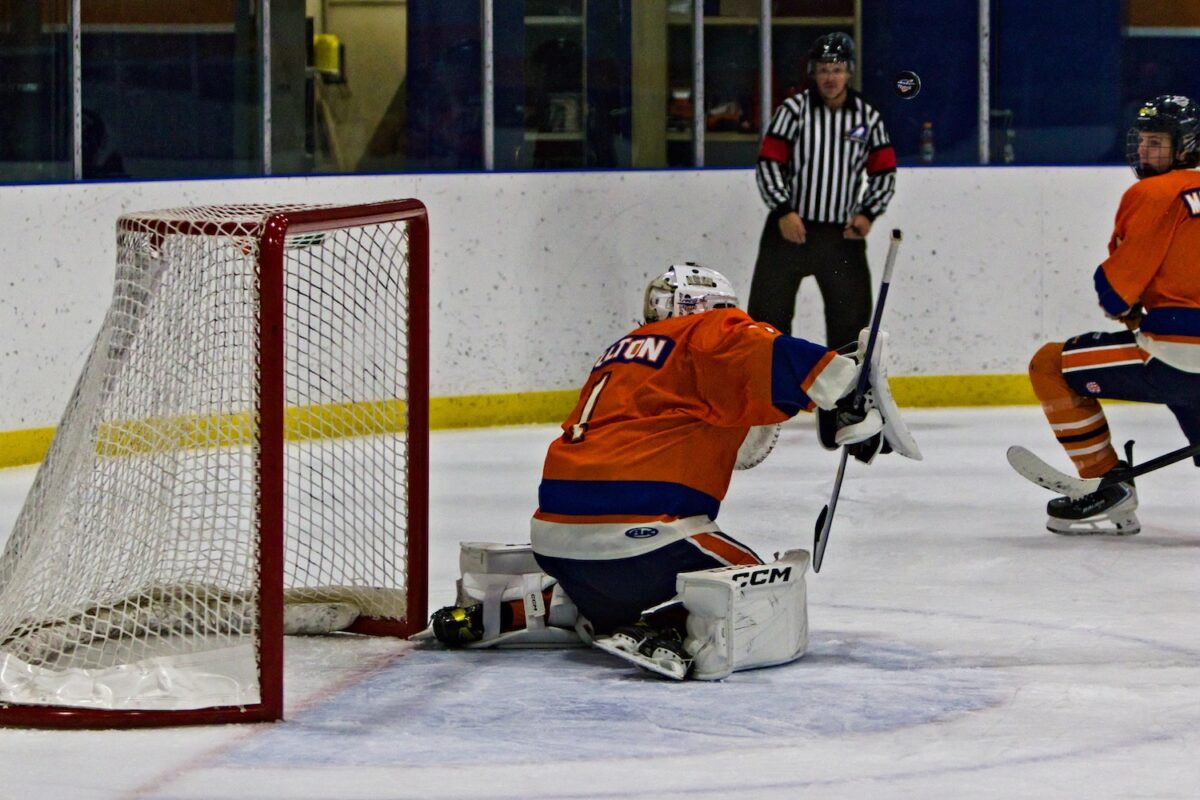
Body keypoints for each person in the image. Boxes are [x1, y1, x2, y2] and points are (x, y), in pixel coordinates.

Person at [427, 264, 917, 680]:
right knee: (764, 588)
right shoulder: (706, 332)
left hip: (554, 538)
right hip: (642, 532)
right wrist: (847, 387)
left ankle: (520, 609)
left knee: (607, 577)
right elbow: (775, 354)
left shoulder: (623, 352)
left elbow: (720, 420)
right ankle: (664, 624)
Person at [1027, 95, 1200, 536]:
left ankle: (1106, 483)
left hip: (1177, 355)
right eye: (1142, 140)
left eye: (1157, 142)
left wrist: (1127, 306)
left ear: (1187, 145)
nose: (1144, 151)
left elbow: (1116, 294)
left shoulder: (1153, 192)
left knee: (1049, 364)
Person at [747, 32, 896, 351]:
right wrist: (783, 210)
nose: (831, 76)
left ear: (850, 71)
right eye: (824, 68)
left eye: (838, 68)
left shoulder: (867, 117)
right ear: (813, 72)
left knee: (851, 325)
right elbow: (769, 163)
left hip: (842, 237)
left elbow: (884, 172)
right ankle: (769, 396)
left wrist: (868, 213)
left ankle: (844, 399)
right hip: (789, 231)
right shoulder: (793, 111)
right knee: (766, 320)